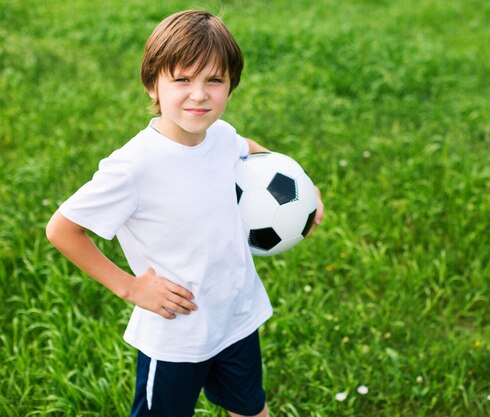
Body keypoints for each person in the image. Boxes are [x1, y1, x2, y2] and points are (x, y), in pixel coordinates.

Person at [46, 10, 323, 417]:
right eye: (182, 79)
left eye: (215, 80)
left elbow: (252, 148)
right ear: (152, 84)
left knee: (251, 409)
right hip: (177, 332)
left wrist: (303, 189)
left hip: (235, 316)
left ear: (231, 87)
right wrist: (129, 287)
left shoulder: (223, 137)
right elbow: (62, 229)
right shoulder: (134, 165)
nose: (199, 94)